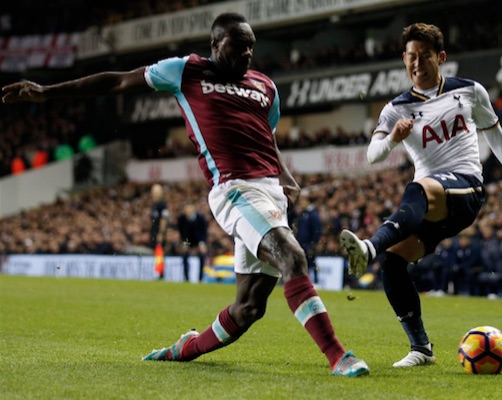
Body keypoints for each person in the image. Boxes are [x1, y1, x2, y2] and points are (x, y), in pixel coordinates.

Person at [2, 12, 368, 377]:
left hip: (272, 194)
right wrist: (48, 92)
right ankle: (339, 357)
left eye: (251, 48)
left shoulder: (265, 86)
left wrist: (286, 177)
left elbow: (266, 139)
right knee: (292, 255)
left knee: (249, 307)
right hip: (234, 189)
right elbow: (118, 82)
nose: (247, 55)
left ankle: (186, 348)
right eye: (238, 47)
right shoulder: (186, 70)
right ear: (215, 44)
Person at [339, 23, 502, 368]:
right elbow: (373, 155)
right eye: (411, 57)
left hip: (466, 189)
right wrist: (393, 137)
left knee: (418, 188)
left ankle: (368, 247)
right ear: (403, 60)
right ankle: (421, 348)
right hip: (429, 205)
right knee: (393, 263)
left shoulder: (469, 91)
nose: (417, 64)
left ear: (441, 58)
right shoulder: (396, 109)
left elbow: (495, 136)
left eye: (425, 56)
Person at [177, 203, 209, 282]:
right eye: (187, 209)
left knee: (202, 255)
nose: (188, 210)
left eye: (190, 208)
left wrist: (201, 244)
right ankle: (186, 278)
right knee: (184, 255)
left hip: (198, 241)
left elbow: (203, 232)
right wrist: (185, 244)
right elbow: (182, 233)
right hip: (188, 241)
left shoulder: (200, 218)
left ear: (194, 209)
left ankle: (200, 278)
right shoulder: (182, 219)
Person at [149, 183, 169, 279]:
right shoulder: (154, 204)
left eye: (157, 192)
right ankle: (158, 272)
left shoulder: (162, 204)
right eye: (154, 192)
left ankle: (161, 273)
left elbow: (164, 219)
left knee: (160, 252)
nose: (155, 194)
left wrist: (161, 233)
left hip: (159, 232)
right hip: (153, 231)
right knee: (156, 253)